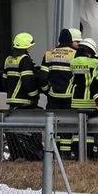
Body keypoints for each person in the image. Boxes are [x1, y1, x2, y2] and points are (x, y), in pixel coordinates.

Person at [2, 32, 47, 160]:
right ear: (27, 47)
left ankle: (18, 155)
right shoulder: (25, 60)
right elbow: (28, 81)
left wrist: (10, 94)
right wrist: (34, 96)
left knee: (14, 131)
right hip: (24, 101)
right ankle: (32, 155)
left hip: (12, 101)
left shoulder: (8, 59)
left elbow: (4, 80)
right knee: (30, 130)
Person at [40, 28, 81, 157]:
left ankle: (52, 152)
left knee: (53, 126)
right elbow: (79, 77)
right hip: (69, 96)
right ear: (70, 41)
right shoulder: (75, 54)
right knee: (68, 125)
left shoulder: (48, 54)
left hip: (53, 97)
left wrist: (48, 91)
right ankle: (66, 153)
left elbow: (42, 77)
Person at [69, 38, 98, 159]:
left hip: (76, 99)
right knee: (90, 129)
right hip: (89, 99)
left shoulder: (73, 62)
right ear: (90, 50)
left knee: (78, 130)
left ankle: (77, 153)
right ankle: (88, 154)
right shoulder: (94, 63)